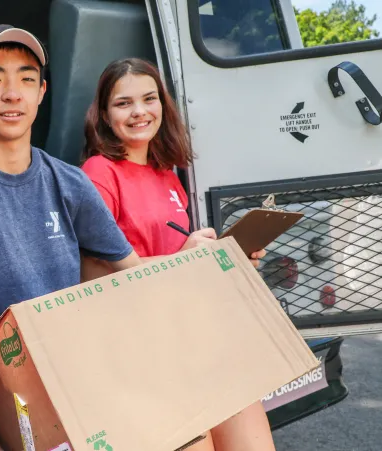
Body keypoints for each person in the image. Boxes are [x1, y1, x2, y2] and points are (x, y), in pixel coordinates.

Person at [0, 25, 142, 449]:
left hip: (77, 373)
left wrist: (201, 256)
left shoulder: (71, 183)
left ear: (42, 92)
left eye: (26, 79)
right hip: (6, 394)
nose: (11, 93)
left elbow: (131, 274)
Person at [80, 58, 273, 451]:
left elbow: (179, 261)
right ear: (103, 113)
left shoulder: (167, 173)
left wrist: (224, 259)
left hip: (194, 332)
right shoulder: (98, 173)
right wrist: (185, 259)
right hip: (143, 346)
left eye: (149, 99)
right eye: (123, 103)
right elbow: (91, 277)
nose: (139, 112)